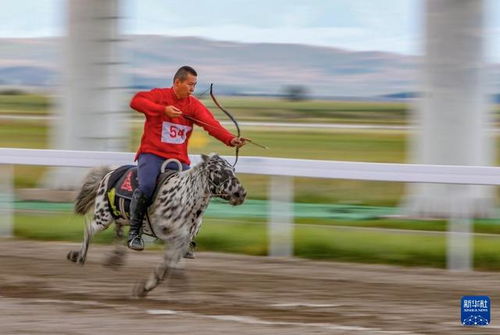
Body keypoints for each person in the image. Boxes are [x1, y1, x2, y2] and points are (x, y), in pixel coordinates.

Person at [127, 65, 246, 252]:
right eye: (190, 84)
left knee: (192, 194)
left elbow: (212, 125)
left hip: (179, 159)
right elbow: (136, 101)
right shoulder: (159, 95)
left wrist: (231, 139)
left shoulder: (193, 105)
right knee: (147, 187)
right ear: (177, 82)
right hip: (152, 154)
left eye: (195, 85)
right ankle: (134, 232)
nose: (192, 89)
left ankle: (185, 237)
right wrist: (163, 110)